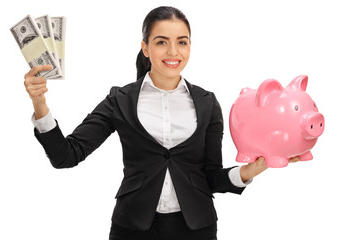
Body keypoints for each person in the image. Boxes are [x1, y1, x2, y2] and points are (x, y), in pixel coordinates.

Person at [23, 6, 299, 240]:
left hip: (197, 228)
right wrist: (40, 104)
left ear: (190, 45)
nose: (173, 51)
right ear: (145, 47)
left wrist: (250, 171)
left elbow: (210, 177)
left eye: (182, 41)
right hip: (133, 227)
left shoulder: (207, 102)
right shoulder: (120, 100)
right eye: (161, 41)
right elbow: (66, 156)